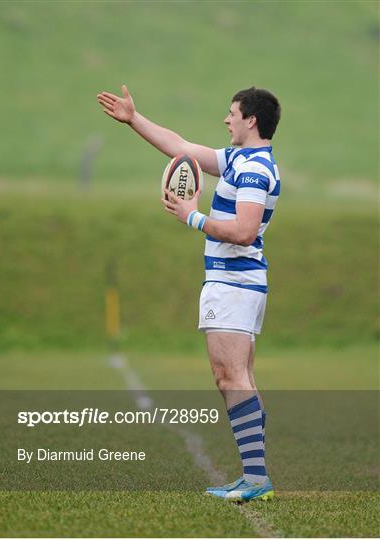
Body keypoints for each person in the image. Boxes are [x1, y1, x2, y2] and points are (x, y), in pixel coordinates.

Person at [97, 85, 281, 502]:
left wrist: (192, 217)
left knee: (230, 376)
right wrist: (133, 119)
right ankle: (254, 476)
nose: (226, 119)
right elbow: (179, 147)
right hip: (235, 282)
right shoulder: (240, 160)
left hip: (235, 284)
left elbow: (245, 231)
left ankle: (256, 479)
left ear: (251, 120)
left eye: (232, 113)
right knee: (237, 377)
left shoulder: (253, 170)